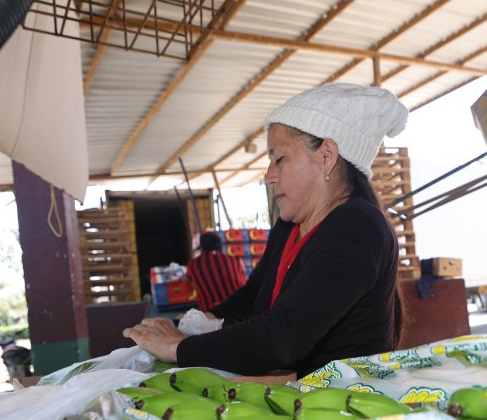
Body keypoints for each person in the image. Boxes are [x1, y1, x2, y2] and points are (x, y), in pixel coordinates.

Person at [124, 83, 408, 377]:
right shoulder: (289, 227)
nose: (269, 177)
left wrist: (177, 348)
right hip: (296, 394)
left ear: (326, 156)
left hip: (344, 401)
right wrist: (206, 319)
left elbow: (284, 337)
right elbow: (253, 298)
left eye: (279, 159)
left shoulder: (357, 226)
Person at [186, 231, 247, 312]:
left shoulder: (193, 265)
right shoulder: (235, 260)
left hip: (211, 313)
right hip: (239, 309)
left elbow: (188, 279)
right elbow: (244, 282)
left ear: (201, 248)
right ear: (221, 246)